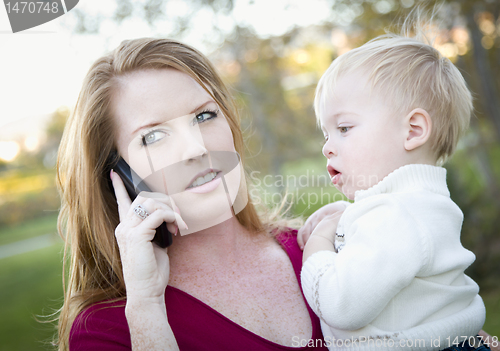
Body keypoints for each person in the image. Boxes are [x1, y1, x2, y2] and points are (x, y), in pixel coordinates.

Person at [55, 38, 330, 350]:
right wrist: (147, 309)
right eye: (153, 136)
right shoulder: (106, 330)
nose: (196, 148)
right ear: (119, 173)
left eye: (203, 116)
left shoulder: (318, 250)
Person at [297, 20, 491, 351]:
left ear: (413, 130)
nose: (327, 146)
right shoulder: (412, 209)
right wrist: (346, 216)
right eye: (326, 134)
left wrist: (319, 243)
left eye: (343, 128)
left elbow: (341, 304)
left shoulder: (397, 216)